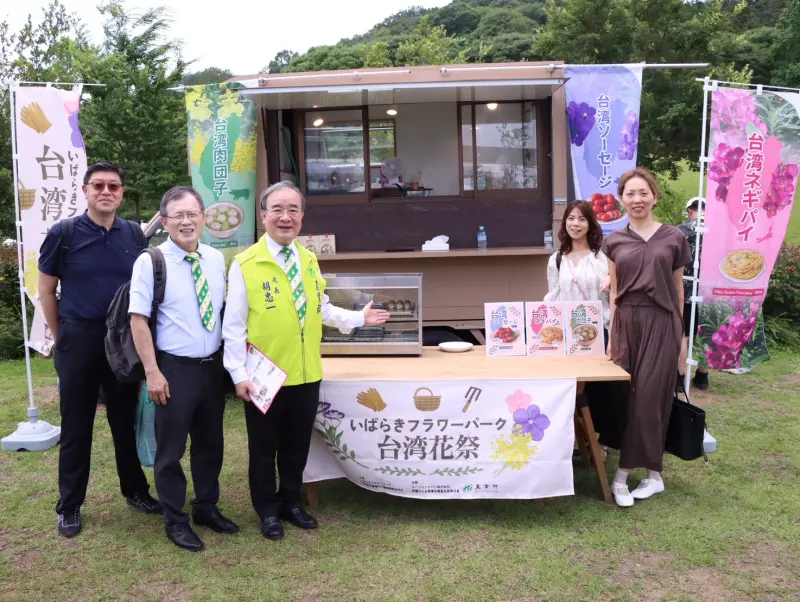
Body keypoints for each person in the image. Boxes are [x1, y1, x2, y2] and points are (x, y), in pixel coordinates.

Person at [222, 181, 390, 541]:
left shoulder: (308, 259)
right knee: (264, 449)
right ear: (263, 215)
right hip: (264, 377)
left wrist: (358, 318)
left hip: (306, 373)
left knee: (298, 446)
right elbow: (233, 327)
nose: (286, 217)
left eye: (293, 210)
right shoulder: (246, 264)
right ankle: (267, 510)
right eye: (278, 209)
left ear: (302, 217)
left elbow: (321, 307)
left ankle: (291, 502)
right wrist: (238, 374)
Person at [38, 162, 162, 538]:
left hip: (122, 342)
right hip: (79, 338)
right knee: (77, 425)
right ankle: (70, 505)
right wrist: (62, 338)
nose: (106, 191)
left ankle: (136, 491)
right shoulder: (64, 234)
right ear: (85, 190)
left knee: (125, 421)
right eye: (99, 186)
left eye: (114, 186)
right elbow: (46, 290)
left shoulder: (134, 235)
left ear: (122, 193)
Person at [129, 186, 237, 552]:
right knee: (171, 450)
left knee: (210, 444)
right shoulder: (151, 261)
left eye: (193, 214)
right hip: (173, 369)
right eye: (178, 215)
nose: (186, 221)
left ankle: (206, 506)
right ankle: (175, 520)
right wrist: (152, 371)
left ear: (204, 218)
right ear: (164, 221)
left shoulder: (215, 259)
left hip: (211, 368)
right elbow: (138, 321)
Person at [602, 167, 692, 508]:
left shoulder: (673, 238)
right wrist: (612, 336)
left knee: (649, 398)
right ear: (621, 199)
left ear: (654, 196)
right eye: (630, 193)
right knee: (625, 399)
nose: (637, 199)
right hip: (626, 322)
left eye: (643, 193)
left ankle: (621, 476)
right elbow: (613, 292)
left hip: (661, 322)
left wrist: (680, 341)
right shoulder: (614, 241)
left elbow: (678, 291)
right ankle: (655, 476)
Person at [544, 200, 610, 330]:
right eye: (571, 218)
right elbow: (552, 297)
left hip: (598, 331)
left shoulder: (601, 258)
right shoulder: (556, 260)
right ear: (565, 223)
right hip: (566, 331)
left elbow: (609, 296)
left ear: (590, 224)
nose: (575, 224)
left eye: (582, 219)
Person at [678, 197, 709, 390]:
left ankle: (679, 377)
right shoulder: (719, 230)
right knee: (708, 333)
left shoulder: (681, 230)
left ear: (690, 210)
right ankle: (703, 377)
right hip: (712, 291)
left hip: (686, 289)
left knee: (683, 335)